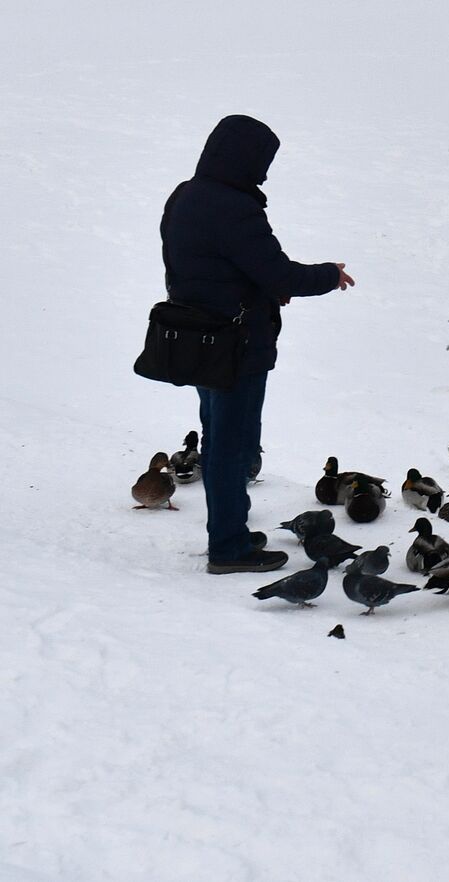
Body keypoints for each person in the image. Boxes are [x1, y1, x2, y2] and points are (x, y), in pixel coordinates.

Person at [160, 115, 354, 574]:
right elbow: (279, 273)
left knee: (221, 439)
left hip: (198, 338)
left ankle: (233, 530)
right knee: (231, 447)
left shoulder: (185, 195)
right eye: (263, 161)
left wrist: (257, 287)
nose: (264, 172)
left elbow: (204, 265)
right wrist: (329, 274)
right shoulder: (234, 207)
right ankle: (229, 548)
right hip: (235, 344)